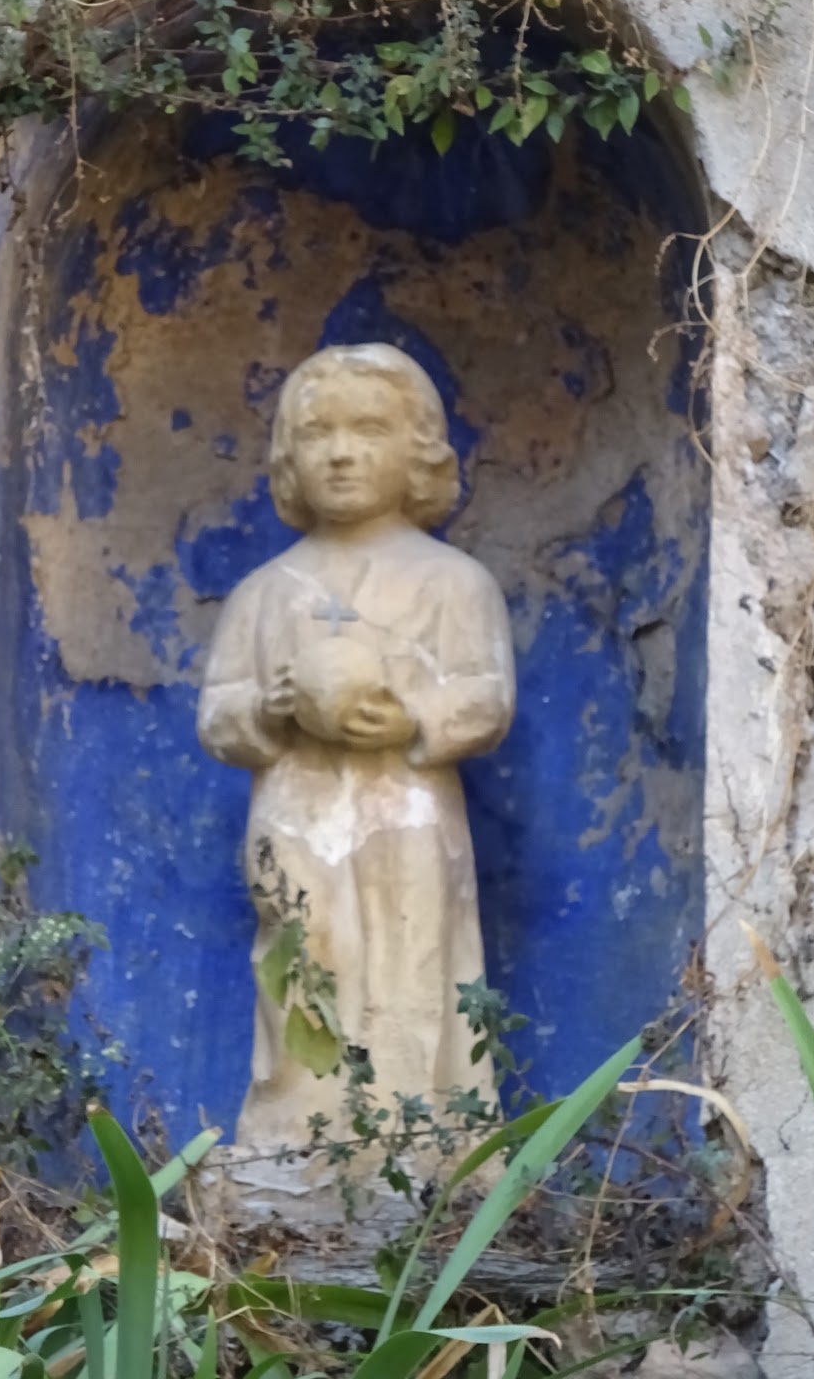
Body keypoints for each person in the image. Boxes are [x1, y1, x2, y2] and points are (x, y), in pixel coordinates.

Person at [197, 343, 516, 1150]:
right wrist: (270, 712)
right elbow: (219, 714)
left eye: (369, 430)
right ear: (288, 456)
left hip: (408, 817)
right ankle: (296, 1142)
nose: (340, 453)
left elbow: (486, 696)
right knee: (306, 959)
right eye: (317, 433)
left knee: (413, 962)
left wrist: (415, 720)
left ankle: (419, 1142)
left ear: (418, 451)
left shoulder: (453, 583)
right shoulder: (265, 593)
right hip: (296, 817)